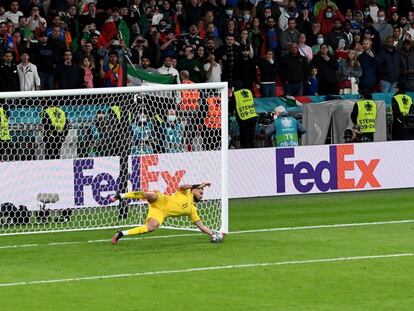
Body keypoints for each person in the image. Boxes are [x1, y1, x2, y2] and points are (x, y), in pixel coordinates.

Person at [110, 182, 223, 244]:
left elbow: (202, 227)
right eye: (201, 191)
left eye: (202, 194)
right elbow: (181, 186)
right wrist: (196, 185)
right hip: (161, 200)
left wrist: (213, 233)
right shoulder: (185, 192)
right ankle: (119, 196)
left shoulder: (192, 210)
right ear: (194, 190)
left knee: (151, 227)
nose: (201, 194)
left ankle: (121, 234)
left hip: (160, 213)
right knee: (151, 195)